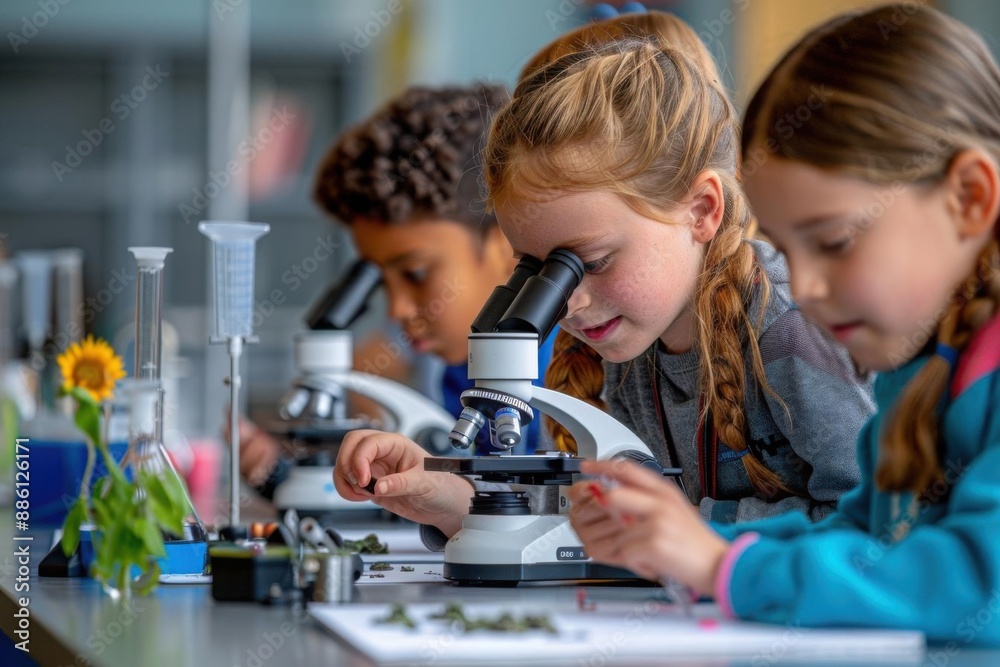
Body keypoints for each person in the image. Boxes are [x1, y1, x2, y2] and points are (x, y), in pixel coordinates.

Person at [334, 15, 875, 548]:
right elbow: (598, 523)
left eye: (589, 262)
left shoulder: (788, 327)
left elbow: (878, 523)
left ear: (701, 210)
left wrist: (694, 530)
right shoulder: (633, 343)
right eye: (538, 269)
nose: (566, 301)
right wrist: (456, 501)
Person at [569, 4, 1000, 643]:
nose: (806, 288)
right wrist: (684, 545)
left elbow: (980, 586)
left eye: (834, 241)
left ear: (968, 198)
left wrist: (722, 566)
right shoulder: (917, 365)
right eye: (790, 252)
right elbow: (862, 539)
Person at [239, 84, 558, 497]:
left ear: (506, 243)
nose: (398, 309)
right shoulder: (453, 369)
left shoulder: (573, 372)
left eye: (416, 273)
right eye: (380, 280)